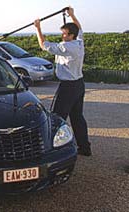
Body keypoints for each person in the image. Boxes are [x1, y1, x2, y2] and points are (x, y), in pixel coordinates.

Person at [34, 7, 92, 156]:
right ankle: (85, 148)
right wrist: (72, 15)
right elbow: (79, 28)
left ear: (71, 35)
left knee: (57, 117)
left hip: (68, 87)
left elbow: (43, 45)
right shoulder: (79, 41)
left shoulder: (67, 47)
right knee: (77, 117)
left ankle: (52, 151)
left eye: (65, 34)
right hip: (79, 84)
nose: (63, 36)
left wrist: (38, 28)